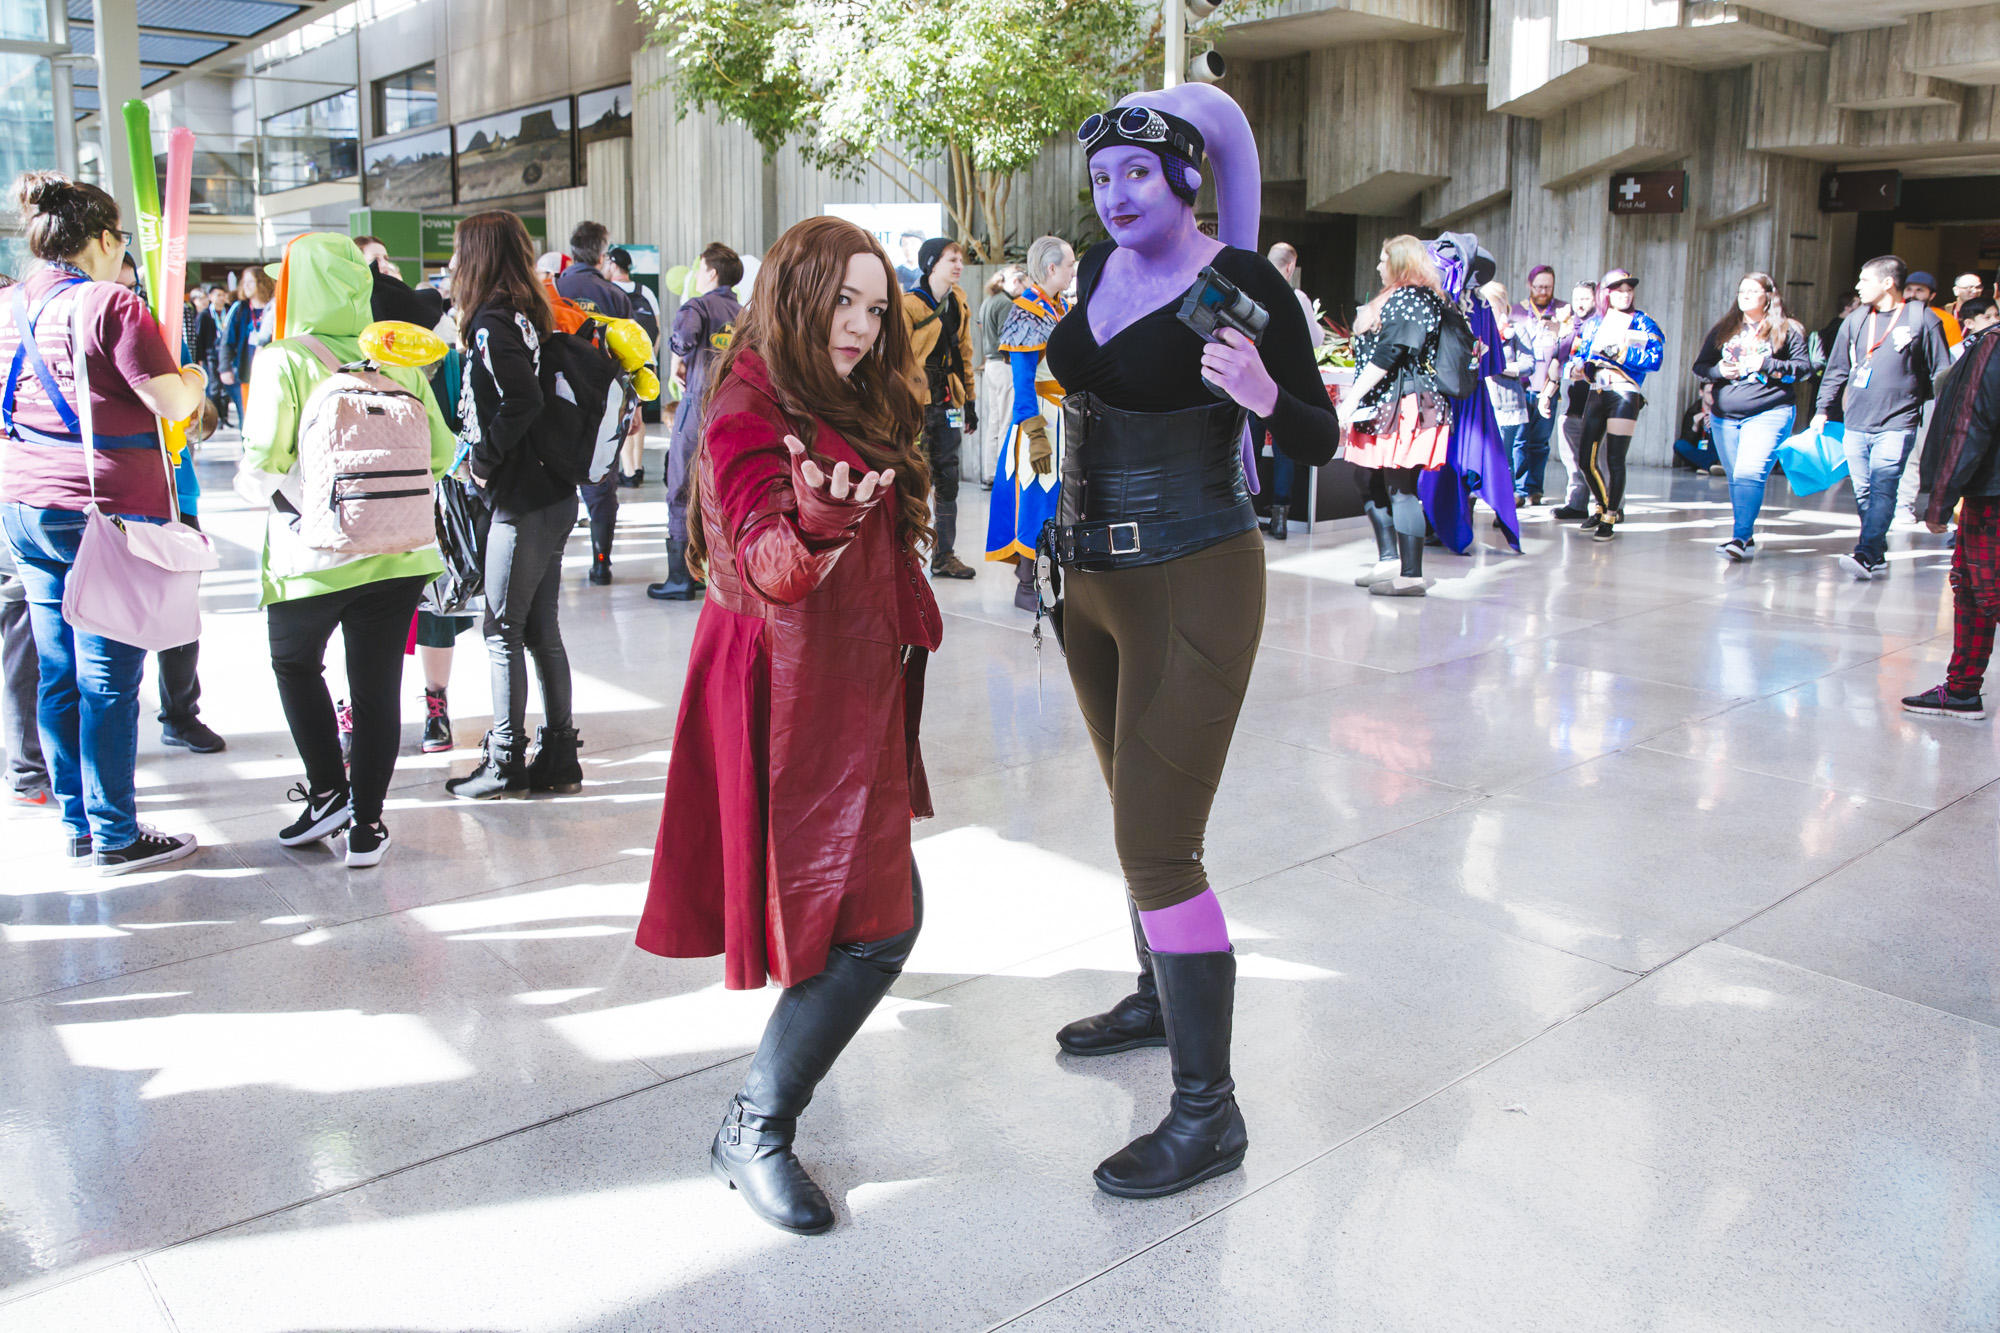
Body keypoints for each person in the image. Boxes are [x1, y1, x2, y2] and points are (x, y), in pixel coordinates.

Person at [1046, 86, 1338, 1200]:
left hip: (1194, 572)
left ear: (1181, 176)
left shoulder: (1243, 283)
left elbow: (1317, 432)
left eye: (1135, 174)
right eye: (1101, 178)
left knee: (1160, 844)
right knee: (1130, 813)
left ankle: (1207, 1112)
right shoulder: (1096, 268)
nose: (1115, 195)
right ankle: (1155, 997)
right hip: (1091, 581)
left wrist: (1264, 393)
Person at [634, 215, 942, 1236]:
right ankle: (755, 1125)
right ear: (794, 294)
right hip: (780, 690)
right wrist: (816, 521)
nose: (859, 325)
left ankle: (760, 1114)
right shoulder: (747, 401)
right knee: (875, 918)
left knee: (860, 913)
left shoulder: (838, 385)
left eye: (871, 304)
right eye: (840, 302)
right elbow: (767, 560)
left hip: (846, 681)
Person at [0, 172, 208, 874]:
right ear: (106, 239)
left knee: (57, 668)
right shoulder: (110, 304)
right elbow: (171, 400)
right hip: (104, 514)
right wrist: (200, 380)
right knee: (108, 678)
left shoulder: (9, 304)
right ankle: (115, 832)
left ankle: (77, 820)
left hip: (25, 510)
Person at [233, 232, 456, 866]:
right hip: (402, 553)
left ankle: (328, 790)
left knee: (296, 666)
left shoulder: (282, 359)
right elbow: (440, 454)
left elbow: (262, 467)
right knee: (377, 685)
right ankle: (367, 826)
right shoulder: (397, 359)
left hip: (313, 559)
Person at [446, 212, 583, 800]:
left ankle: (505, 761)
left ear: (476, 254)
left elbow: (520, 401)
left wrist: (482, 458)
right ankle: (558, 756)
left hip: (522, 500)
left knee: (502, 629)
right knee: (539, 630)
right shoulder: (528, 312)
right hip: (552, 493)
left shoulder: (492, 320)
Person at [1811, 254, 1954, 580]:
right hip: (1857, 420)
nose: (1858, 286)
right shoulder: (1856, 319)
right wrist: (1822, 410)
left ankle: (1866, 553)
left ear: (1888, 282)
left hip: (1898, 421)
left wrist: (1946, 416)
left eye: (1864, 280)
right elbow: (1836, 370)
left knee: (1884, 486)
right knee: (1864, 492)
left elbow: (1942, 372)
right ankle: (1876, 550)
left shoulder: (1922, 318)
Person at [1339, 235, 1455, 594]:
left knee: (1399, 488)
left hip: (1405, 405)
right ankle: (1390, 560)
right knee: (1368, 480)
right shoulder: (1403, 299)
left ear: (1401, 262)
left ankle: (1411, 576)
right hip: (1386, 404)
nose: (1377, 266)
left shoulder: (1413, 299)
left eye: (1383, 258)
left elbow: (1390, 353)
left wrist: (1350, 399)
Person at [1907, 305, 2000, 719]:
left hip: (1992, 495)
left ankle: (1963, 688)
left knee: (1988, 589)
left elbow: (1969, 423)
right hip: (1987, 490)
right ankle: (1962, 689)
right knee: (1971, 589)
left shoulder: (1994, 346)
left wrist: (1939, 497)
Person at [1693, 272, 1810, 561]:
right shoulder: (1725, 327)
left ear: (1769, 296)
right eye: (1741, 290)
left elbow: (1804, 368)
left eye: (1752, 291)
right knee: (1737, 477)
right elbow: (1701, 366)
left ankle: (1740, 537)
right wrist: (1720, 371)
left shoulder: (1788, 329)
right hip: (1725, 415)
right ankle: (1745, 532)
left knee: (1750, 473)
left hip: (1769, 411)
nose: (1744, 296)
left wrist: (1767, 364)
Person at [984, 235, 1073, 611]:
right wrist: (1034, 433)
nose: (1072, 271)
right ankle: (1027, 585)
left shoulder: (1059, 307)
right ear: (1051, 268)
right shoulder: (1026, 310)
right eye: (1069, 265)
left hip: (1061, 415)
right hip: (1039, 418)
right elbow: (1022, 381)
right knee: (1034, 497)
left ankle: (1047, 580)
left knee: (1053, 502)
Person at [651, 241, 742, 602]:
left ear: (711, 272)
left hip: (697, 407)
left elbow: (682, 339)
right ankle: (716, 573)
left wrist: (680, 354)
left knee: (682, 487)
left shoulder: (697, 306)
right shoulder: (745, 311)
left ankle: (680, 577)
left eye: (700, 267)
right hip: (734, 411)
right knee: (723, 490)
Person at [557, 221, 636, 585]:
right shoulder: (616, 296)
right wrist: (631, 409)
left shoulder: (554, 289)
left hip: (556, 401)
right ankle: (600, 561)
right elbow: (632, 354)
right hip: (603, 403)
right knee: (601, 478)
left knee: (555, 478)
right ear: (603, 254)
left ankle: (552, 560)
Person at [1562, 268, 1664, 541]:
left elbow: (1655, 359)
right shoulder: (1595, 323)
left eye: (1629, 290)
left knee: (1615, 458)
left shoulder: (1643, 322)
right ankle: (1600, 505)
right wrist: (1577, 368)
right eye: (1618, 290)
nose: (1625, 294)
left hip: (1625, 392)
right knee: (1585, 459)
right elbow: (1579, 357)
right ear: (1606, 293)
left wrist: (1621, 352)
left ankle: (1610, 516)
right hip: (1597, 391)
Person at [901, 237, 978, 579]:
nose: (959, 265)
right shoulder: (907, 306)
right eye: (952, 259)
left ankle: (944, 556)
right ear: (931, 264)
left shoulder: (958, 302)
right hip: (914, 406)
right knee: (910, 482)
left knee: (948, 480)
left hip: (949, 403)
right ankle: (902, 558)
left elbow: (964, 354)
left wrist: (971, 402)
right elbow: (895, 361)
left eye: (960, 259)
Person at [1264, 241, 1326, 538]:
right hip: (1283, 383)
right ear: (1291, 267)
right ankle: (1280, 517)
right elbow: (1315, 340)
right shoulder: (1297, 296)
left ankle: (1245, 512)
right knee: (1283, 448)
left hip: (1251, 378)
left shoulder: (1251, 287)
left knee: (1242, 443)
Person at [1481, 282, 1539, 514]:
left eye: (1490, 304)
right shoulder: (1476, 329)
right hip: (1481, 399)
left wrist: (1500, 366)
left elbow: (1529, 364)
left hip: (1506, 401)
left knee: (1502, 457)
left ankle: (1504, 506)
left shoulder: (1516, 329)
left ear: (1502, 304)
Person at [606, 246, 662, 487]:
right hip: (647, 362)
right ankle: (637, 467)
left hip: (620, 365)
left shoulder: (608, 292)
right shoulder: (645, 291)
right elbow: (657, 330)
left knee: (623, 414)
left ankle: (627, 472)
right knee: (639, 414)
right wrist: (651, 361)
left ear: (613, 265)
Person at [1544, 280, 1598, 517]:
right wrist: (1547, 393)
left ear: (1596, 299)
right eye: (1576, 299)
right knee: (1572, 459)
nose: (1580, 304)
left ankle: (1604, 506)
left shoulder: (1601, 326)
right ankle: (1576, 504)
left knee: (1599, 460)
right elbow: (1556, 362)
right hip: (1570, 403)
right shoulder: (1569, 327)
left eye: (1585, 299)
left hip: (1596, 403)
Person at [1509, 265, 1563, 504]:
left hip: (1548, 386)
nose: (1543, 291)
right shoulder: (1517, 311)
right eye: (1539, 286)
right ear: (1530, 285)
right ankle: (1518, 490)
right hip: (1520, 385)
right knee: (1519, 441)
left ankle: (1534, 489)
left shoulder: (1563, 311)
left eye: (1548, 287)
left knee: (1540, 442)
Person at [977, 264, 1026, 489]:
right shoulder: (1006, 304)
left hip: (990, 365)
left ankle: (990, 473)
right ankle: (1003, 474)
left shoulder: (988, 301)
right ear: (1015, 281)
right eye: (1024, 284)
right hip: (1004, 365)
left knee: (994, 421)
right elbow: (1010, 339)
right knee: (1006, 421)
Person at [219, 264, 272, 424]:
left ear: (262, 283)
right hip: (246, 372)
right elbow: (227, 341)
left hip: (270, 373)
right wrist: (224, 368)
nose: (246, 286)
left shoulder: (274, 307)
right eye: (244, 282)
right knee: (247, 418)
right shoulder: (240, 309)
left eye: (251, 282)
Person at [1906, 271, 1963, 347]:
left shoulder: (1946, 320)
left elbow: (1955, 354)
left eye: (1919, 290)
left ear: (1932, 296)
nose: (1912, 294)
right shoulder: (1893, 315)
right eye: (1908, 289)